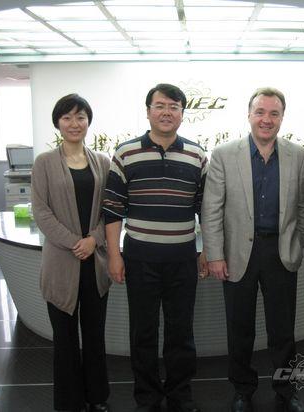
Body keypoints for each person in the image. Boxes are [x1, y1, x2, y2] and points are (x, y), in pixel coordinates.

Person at [201, 87, 304, 412]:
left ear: (282, 118)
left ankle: (285, 389)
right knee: (240, 328)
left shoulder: (297, 155)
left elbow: (303, 207)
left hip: (280, 252)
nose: (266, 119)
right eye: (260, 112)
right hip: (237, 254)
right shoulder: (224, 154)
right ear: (249, 115)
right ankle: (242, 389)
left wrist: (298, 242)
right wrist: (215, 254)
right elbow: (212, 209)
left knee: (282, 330)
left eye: (274, 113)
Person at [103, 84, 206, 412]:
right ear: (148, 111)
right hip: (140, 258)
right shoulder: (126, 153)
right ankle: (147, 397)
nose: (166, 112)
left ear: (182, 113)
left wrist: (206, 250)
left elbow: (206, 210)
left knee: (181, 332)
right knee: (143, 332)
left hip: (182, 259)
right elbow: (112, 210)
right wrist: (115, 255)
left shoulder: (197, 155)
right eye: (160, 106)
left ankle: (180, 395)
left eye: (174, 106)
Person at [31, 93, 111, 412]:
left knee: (94, 335)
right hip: (61, 263)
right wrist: (75, 242)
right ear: (58, 123)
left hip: (95, 262)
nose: (74, 123)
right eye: (67, 117)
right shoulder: (44, 162)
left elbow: (110, 209)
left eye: (80, 117)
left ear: (88, 121)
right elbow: (41, 211)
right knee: (64, 339)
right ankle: (69, 402)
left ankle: (97, 397)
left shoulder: (102, 162)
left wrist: (94, 239)